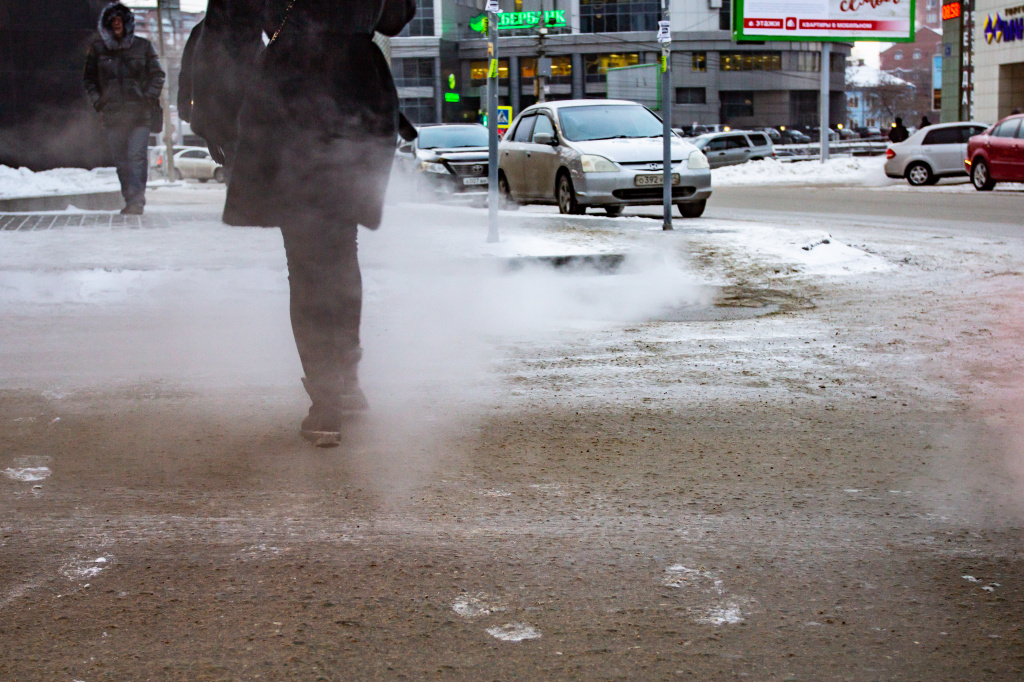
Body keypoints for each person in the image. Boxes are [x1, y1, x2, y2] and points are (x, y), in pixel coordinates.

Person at [185, 0, 415, 447]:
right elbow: (395, 16)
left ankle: (326, 401)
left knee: (307, 262)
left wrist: (216, 118)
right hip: (358, 92)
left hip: (290, 95)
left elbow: (228, 30)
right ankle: (344, 379)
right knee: (340, 253)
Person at [83, 2, 164, 215]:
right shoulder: (98, 49)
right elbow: (89, 80)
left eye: (120, 20)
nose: (117, 24)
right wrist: (100, 102)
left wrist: (148, 98)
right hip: (114, 116)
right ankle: (130, 200)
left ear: (127, 23)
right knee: (121, 161)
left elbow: (158, 75)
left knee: (137, 157)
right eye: (113, 21)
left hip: (139, 114)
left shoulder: (143, 46)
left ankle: (137, 201)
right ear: (108, 24)